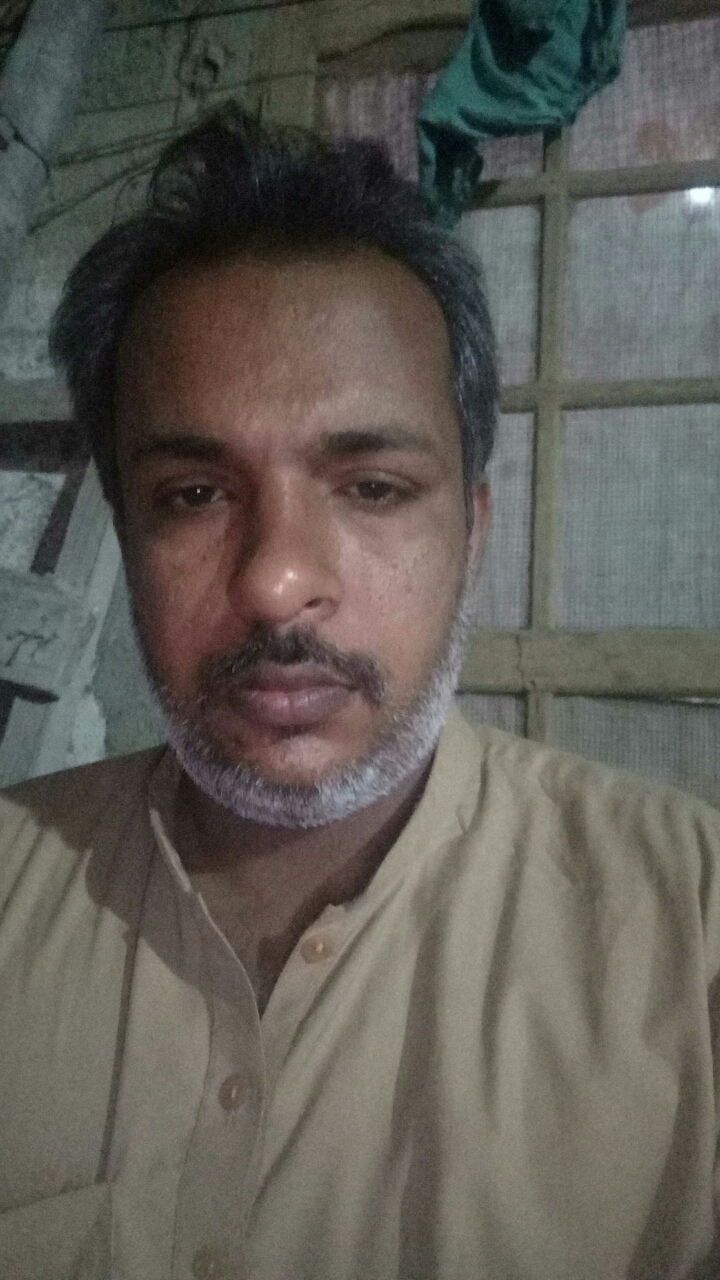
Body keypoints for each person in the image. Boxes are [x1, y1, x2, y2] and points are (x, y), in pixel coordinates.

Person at [0, 106, 718, 1280]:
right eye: (192, 494)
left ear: (471, 531)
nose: (277, 581)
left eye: (373, 485)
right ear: (125, 531)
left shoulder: (694, 934)